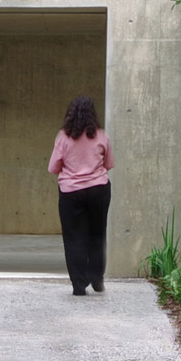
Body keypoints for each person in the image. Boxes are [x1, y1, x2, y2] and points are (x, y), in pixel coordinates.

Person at [49, 95, 113, 296]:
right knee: (97, 234)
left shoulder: (63, 136)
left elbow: (53, 167)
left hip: (71, 191)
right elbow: (109, 164)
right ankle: (97, 278)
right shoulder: (102, 135)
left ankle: (79, 285)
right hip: (98, 189)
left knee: (73, 237)